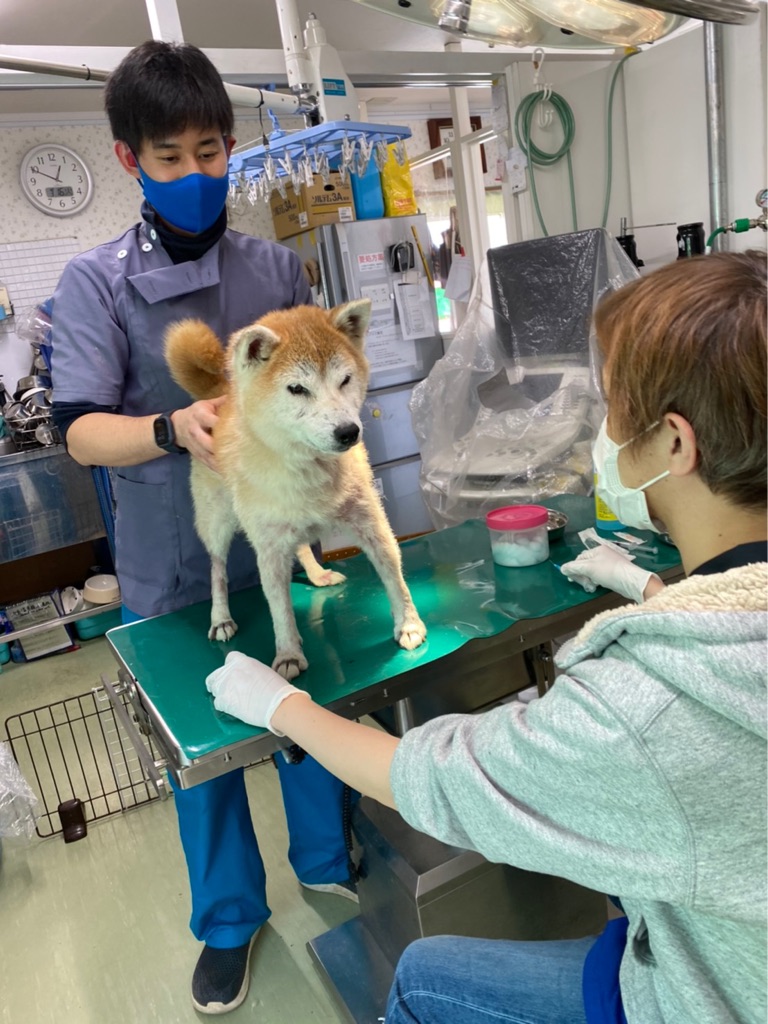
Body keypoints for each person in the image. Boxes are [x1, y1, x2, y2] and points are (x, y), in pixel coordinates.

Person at [206, 249, 767, 1024]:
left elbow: (437, 781)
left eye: (610, 408)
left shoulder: (646, 708)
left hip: (700, 994)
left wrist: (282, 707)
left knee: (422, 976)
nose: (600, 433)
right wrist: (647, 586)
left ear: (676, 443)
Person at [50, 41, 357, 1016]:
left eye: (212, 152)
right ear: (130, 161)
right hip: (170, 556)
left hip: (284, 532)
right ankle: (228, 921)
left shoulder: (274, 266)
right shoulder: (94, 283)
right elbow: (79, 433)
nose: (196, 173)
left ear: (233, 147)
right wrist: (168, 427)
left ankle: (330, 856)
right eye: (171, 158)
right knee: (203, 743)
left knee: (309, 696)